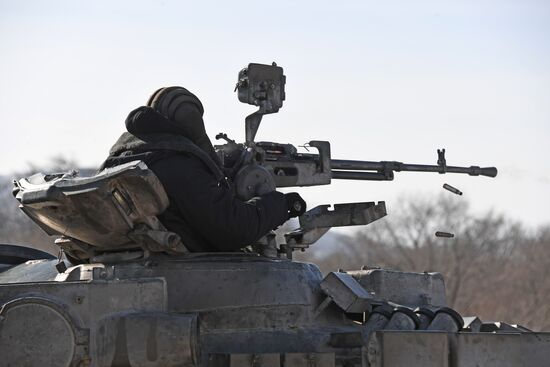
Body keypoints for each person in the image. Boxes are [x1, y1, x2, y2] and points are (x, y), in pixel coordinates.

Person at [100, 86, 306, 252]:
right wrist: (281, 204)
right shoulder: (177, 164)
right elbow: (233, 229)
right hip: (184, 272)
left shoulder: (118, 160)